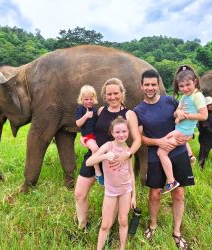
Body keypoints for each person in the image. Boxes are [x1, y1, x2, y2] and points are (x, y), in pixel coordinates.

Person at [134, 69, 194, 249]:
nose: (150, 88)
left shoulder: (170, 101)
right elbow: (140, 138)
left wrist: (189, 137)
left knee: (179, 193)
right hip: (155, 156)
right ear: (141, 86)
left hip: (178, 152)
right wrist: (158, 142)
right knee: (154, 194)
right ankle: (153, 225)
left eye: (154, 84)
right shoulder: (138, 110)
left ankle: (177, 231)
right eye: (147, 85)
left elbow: (185, 119)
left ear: (158, 84)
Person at [74, 78, 141, 232]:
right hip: (97, 155)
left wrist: (128, 154)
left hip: (117, 160)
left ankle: (109, 230)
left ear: (122, 93)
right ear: (105, 95)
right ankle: (82, 227)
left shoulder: (129, 114)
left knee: (115, 199)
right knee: (79, 193)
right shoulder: (100, 110)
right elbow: (88, 129)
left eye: (116, 93)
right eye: (109, 94)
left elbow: (137, 140)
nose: (112, 97)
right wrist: (83, 139)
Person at [86, 116, 136, 250]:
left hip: (126, 190)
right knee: (105, 224)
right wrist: (104, 156)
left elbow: (131, 173)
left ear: (128, 132)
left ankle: (122, 247)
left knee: (123, 221)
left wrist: (134, 196)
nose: (121, 134)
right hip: (111, 191)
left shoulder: (128, 149)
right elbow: (89, 162)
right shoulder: (108, 146)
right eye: (117, 132)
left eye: (124, 131)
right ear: (112, 133)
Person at [157, 65, 207, 194]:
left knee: (161, 152)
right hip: (180, 128)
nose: (185, 89)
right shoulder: (184, 97)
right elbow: (176, 112)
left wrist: (185, 115)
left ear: (195, 81)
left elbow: (204, 115)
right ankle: (190, 155)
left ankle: (171, 181)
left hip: (183, 131)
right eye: (181, 86)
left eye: (187, 85)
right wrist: (178, 114)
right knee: (164, 143)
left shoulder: (197, 96)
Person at [76, 85, 103, 186]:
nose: (89, 101)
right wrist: (86, 116)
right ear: (82, 99)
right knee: (95, 149)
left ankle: (101, 167)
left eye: (91, 99)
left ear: (94, 98)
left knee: (100, 148)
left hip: (95, 135)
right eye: (86, 99)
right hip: (88, 136)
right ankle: (97, 171)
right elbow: (78, 123)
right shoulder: (81, 109)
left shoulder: (94, 109)